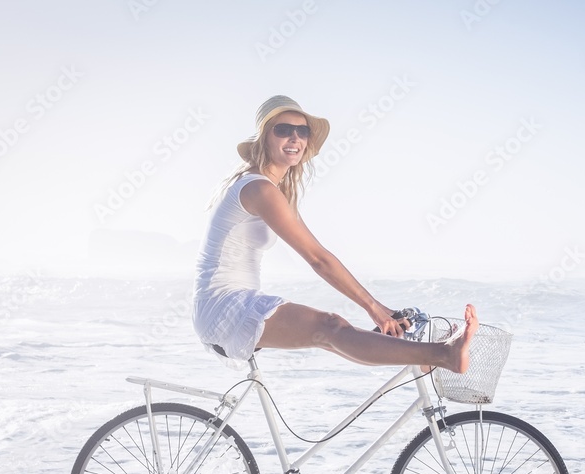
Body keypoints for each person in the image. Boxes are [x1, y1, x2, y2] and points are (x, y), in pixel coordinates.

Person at [192, 95, 477, 372]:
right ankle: (444, 354)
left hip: (230, 303)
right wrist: (374, 308)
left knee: (332, 338)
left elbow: (318, 253)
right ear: (265, 137)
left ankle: (426, 357)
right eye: (283, 130)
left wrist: (381, 309)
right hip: (223, 306)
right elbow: (317, 258)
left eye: (301, 131)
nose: (295, 138)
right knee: (329, 327)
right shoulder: (260, 189)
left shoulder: (272, 191)